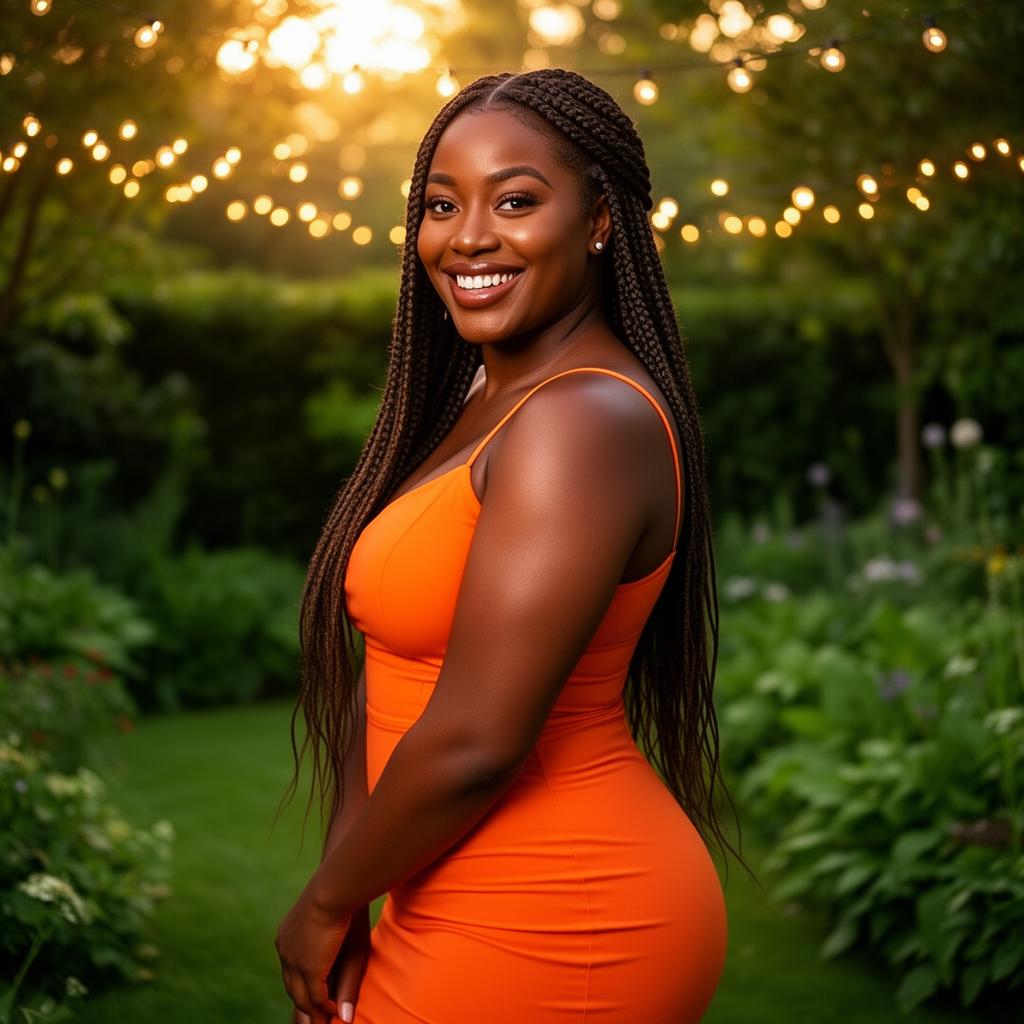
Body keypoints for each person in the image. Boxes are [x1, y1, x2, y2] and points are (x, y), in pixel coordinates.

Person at [275, 67, 749, 1024]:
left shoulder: (579, 424)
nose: (469, 237)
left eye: (517, 199)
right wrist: (354, 881)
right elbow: (393, 676)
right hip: (444, 888)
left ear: (601, 219)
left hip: (562, 916)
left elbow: (478, 742)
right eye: (442, 205)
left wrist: (323, 904)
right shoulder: (487, 404)